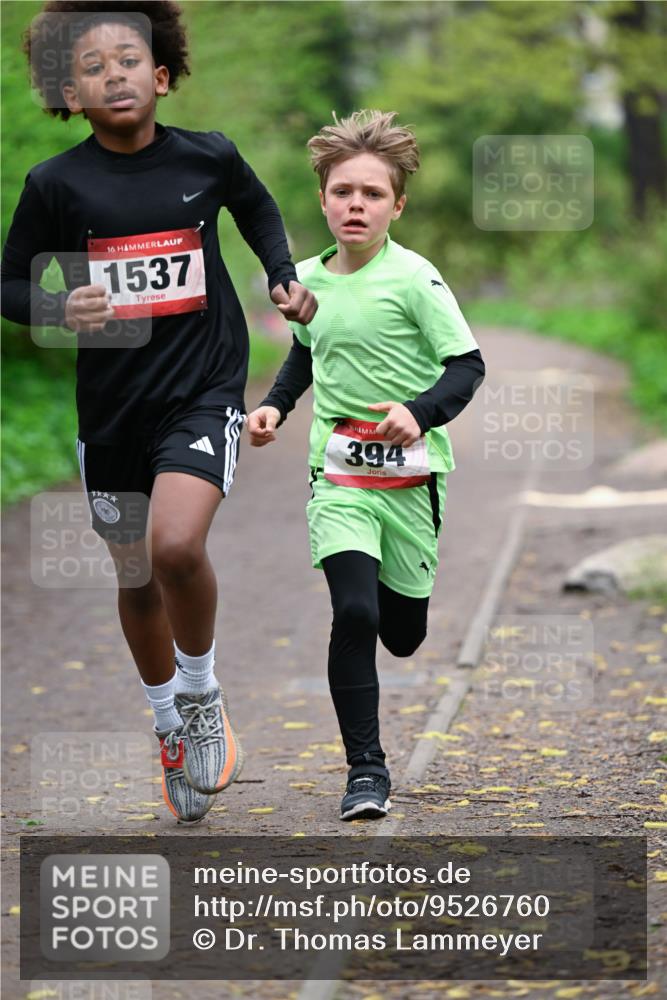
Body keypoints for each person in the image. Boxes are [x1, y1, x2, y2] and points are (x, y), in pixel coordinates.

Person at [1, 1, 317, 824]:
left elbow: (257, 210)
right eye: (93, 66)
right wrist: (56, 310)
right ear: (68, 91)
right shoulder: (56, 184)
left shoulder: (209, 157)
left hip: (203, 389)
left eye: (129, 60)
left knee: (176, 545)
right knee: (135, 573)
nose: (115, 74)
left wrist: (280, 274)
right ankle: (167, 725)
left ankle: (203, 693)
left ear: (164, 75)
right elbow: (11, 283)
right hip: (109, 410)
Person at [247, 109, 485, 821]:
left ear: (396, 205)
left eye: (372, 194)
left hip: (410, 480)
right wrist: (274, 407)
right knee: (351, 609)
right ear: (321, 198)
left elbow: (466, 365)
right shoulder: (307, 282)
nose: (356, 204)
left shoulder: (414, 279)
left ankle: (402, 606)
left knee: (402, 633)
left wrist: (419, 409)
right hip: (340, 476)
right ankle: (365, 772)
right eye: (343, 191)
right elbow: (308, 353)